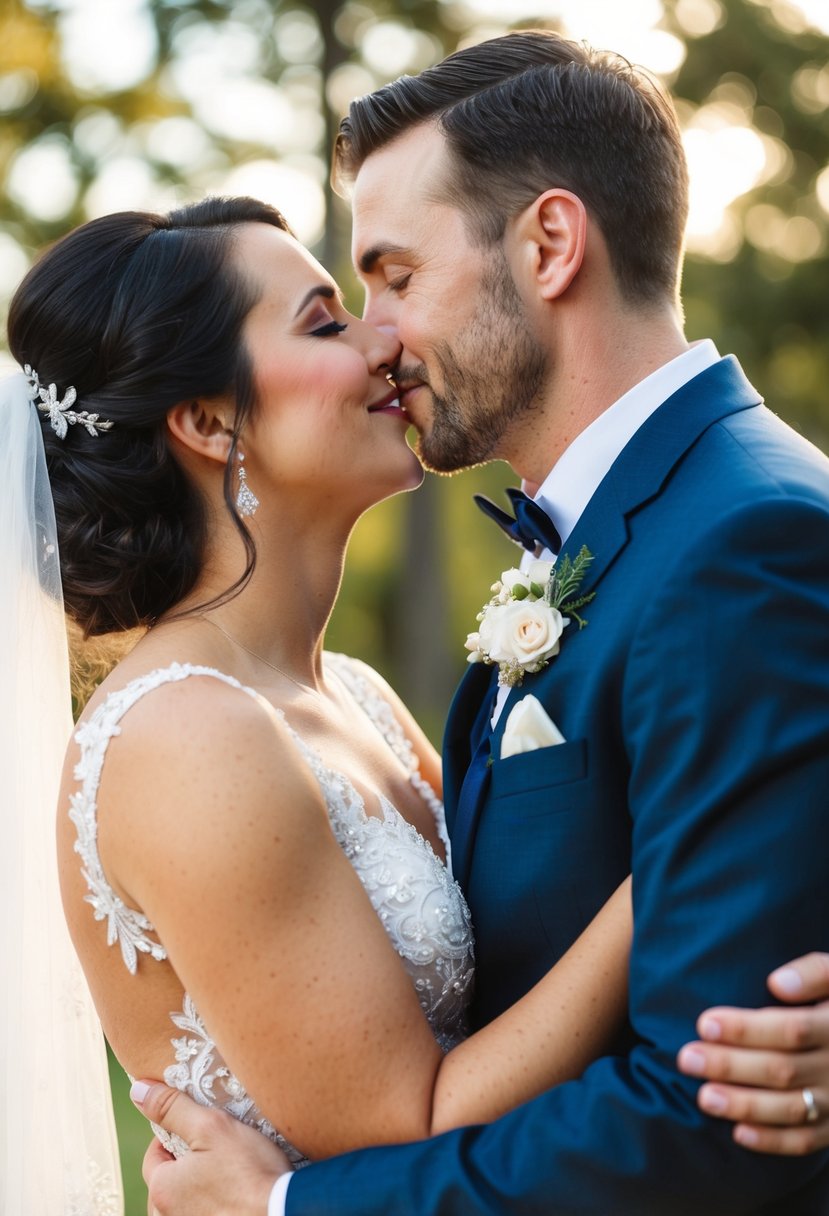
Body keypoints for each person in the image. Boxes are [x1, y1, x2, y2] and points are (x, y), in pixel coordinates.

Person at [134, 29, 829, 1216]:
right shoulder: (628, 536)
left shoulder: (741, 546)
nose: (379, 339)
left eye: (395, 277)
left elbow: (704, 1119)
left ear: (550, 245)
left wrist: (287, 1209)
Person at [5, 193, 656, 1200]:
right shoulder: (188, 734)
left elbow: (531, 957)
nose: (383, 338)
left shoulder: (349, 692)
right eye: (325, 321)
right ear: (212, 423)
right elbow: (409, 1124)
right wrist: (687, 858)